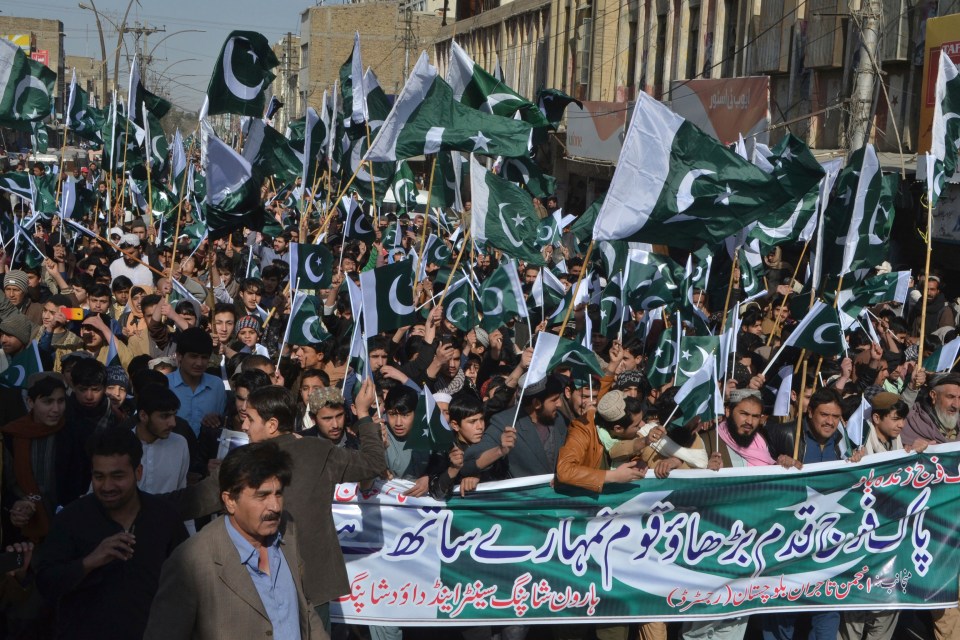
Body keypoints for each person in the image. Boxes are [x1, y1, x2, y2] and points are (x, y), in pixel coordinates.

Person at [166, 380, 386, 632]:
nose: (245, 426)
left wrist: (138, 505)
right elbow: (374, 461)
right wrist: (364, 415)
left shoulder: (247, 462)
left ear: (271, 425)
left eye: (249, 419)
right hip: (281, 585)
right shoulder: (318, 449)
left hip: (288, 587)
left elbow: (191, 502)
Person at [145, 442, 325, 639]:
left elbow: (303, 606)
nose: (274, 506)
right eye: (262, 496)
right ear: (230, 501)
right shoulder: (192, 562)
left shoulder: (287, 530)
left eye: (278, 493)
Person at [35, 428, 188, 639]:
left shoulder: (164, 517)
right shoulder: (71, 519)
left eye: (117, 476)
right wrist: (88, 562)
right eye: (99, 476)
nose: (107, 486)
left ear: (138, 473)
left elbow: (185, 582)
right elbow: (45, 582)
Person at [167, 326, 227, 437]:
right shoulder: (166, 385)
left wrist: (216, 420)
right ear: (179, 356)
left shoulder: (217, 385)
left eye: (204, 357)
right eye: (193, 356)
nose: (199, 363)